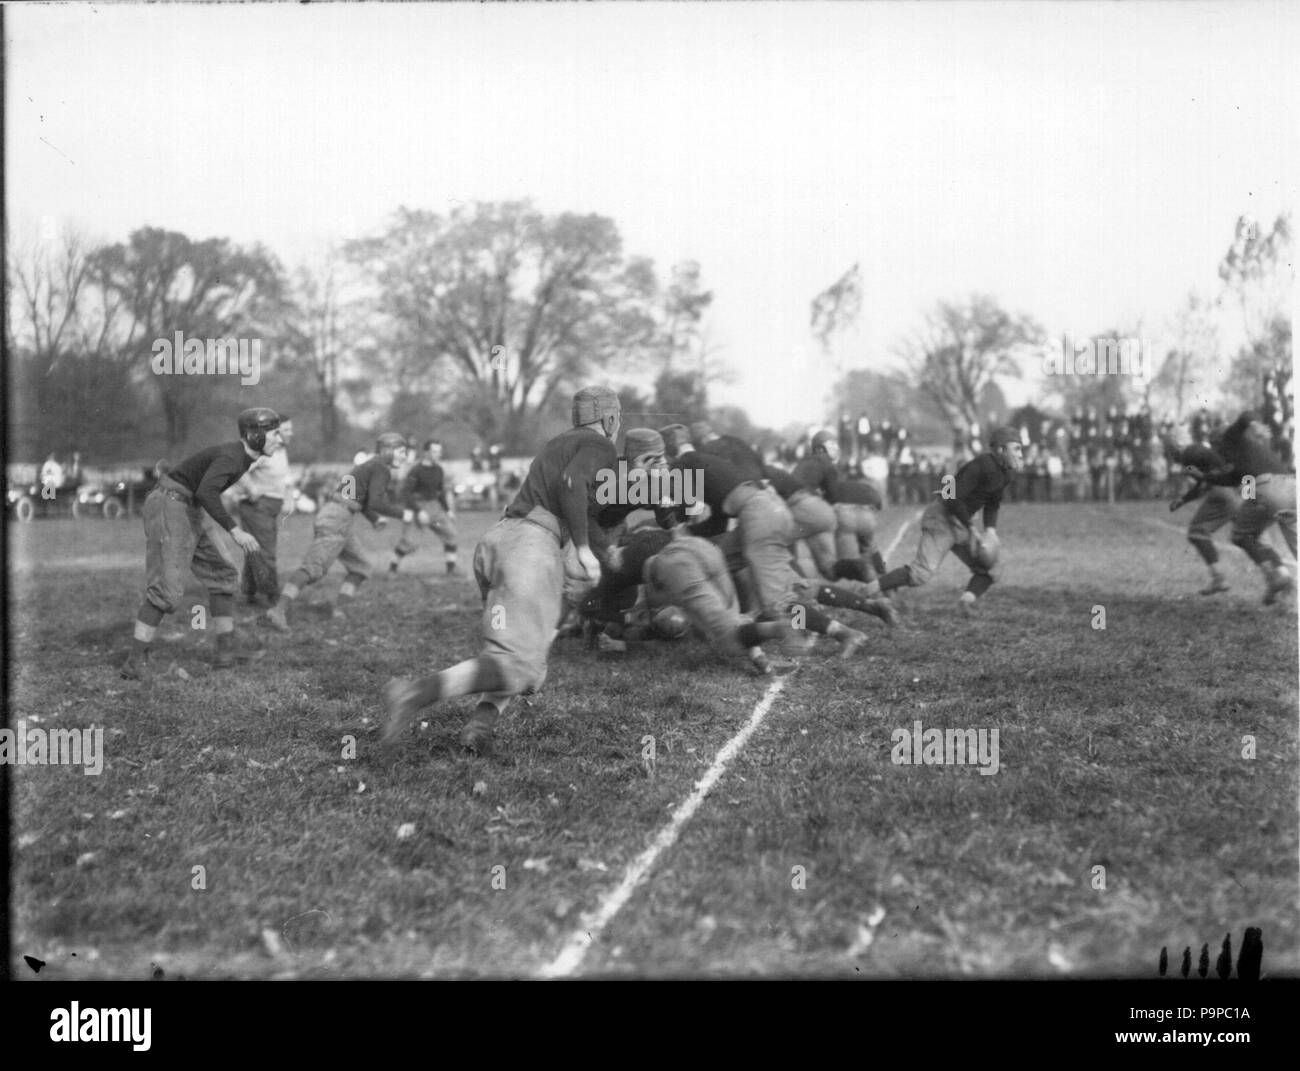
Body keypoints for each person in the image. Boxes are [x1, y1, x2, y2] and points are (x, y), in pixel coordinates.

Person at [380, 386, 620, 758]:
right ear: (609, 419)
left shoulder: (558, 444)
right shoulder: (600, 447)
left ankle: (481, 726)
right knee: (518, 662)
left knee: (526, 660)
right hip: (530, 549)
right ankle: (414, 693)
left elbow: (580, 501)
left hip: (499, 542)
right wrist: (587, 551)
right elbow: (574, 484)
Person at [660, 424, 872, 657]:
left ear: (668, 452)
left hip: (759, 516)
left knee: (777, 601)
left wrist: (679, 527)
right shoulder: (706, 460)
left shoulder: (683, 464)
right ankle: (742, 621)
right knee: (722, 559)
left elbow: (678, 508)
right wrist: (691, 530)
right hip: (772, 510)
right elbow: (719, 521)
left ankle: (839, 633)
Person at [119, 408, 282, 679]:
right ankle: (134, 663)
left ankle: (226, 652)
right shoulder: (233, 456)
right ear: (255, 436)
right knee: (167, 591)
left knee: (224, 574)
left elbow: (204, 491)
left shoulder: (241, 457)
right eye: (275, 434)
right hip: (170, 505)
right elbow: (207, 491)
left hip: (189, 506)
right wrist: (235, 531)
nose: (280, 439)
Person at [866, 425, 1024, 617]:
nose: (1020, 454)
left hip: (961, 522)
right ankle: (869, 589)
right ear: (1000, 449)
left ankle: (965, 603)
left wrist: (991, 530)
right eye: (1016, 448)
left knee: (992, 569)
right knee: (920, 574)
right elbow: (950, 496)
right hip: (942, 517)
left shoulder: (1005, 473)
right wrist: (972, 528)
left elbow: (992, 503)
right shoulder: (981, 465)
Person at [264, 432, 408, 631]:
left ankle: (339, 609)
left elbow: (358, 499)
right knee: (313, 568)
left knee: (361, 566)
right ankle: (278, 611)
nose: (404, 456)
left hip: (339, 517)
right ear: (387, 450)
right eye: (401, 451)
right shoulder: (381, 468)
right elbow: (375, 501)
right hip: (337, 520)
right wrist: (404, 514)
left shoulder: (368, 466)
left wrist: (374, 518)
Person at [1209, 412, 1296, 605]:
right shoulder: (1250, 451)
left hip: (1269, 490)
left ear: (1217, 441)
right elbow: (1237, 479)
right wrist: (1204, 477)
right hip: (1291, 486)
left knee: (1241, 535)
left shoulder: (1230, 439)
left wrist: (1254, 422)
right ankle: (1282, 575)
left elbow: (1244, 417)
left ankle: (1274, 576)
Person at [227, 414, 296, 606]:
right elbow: (238, 468)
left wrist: (288, 495)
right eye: (287, 430)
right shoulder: (263, 450)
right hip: (257, 507)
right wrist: (251, 489)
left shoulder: (280, 450)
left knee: (255, 549)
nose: (291, 433)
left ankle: (250, 592)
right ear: (276, 432)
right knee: (266, 551)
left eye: (291, 429)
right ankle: (272, 596)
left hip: (270, 507)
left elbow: (285, 476)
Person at [388, 439, 459, 577]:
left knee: (451, 535)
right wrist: (419, 511)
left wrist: (448, 511)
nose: (438, 454)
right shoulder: (416, 470)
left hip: (435, 507)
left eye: (439, 451)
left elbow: (440, 493)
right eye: (435, 451)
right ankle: (392, 568)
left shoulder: (439, 470)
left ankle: (451, 570)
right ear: (426, 453)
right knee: (410, 543)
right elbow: (405, 493)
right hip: (419, 507)